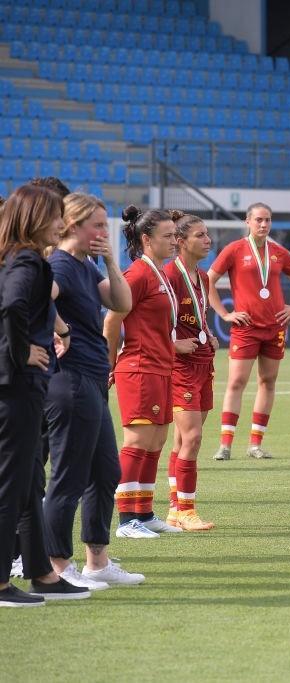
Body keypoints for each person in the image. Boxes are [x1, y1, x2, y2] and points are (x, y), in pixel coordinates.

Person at [43, 193, 144, 588]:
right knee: (68, 477)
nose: (105, 232)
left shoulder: (84, 266)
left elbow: (123, 302)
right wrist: (60, 330)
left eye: (107, 224)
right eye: (98, 225)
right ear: (72, 225)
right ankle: (56, 566)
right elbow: (34, 299)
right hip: (70, 381)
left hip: (92, 380)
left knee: (105, 471)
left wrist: (111, 259)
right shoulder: (61, 266)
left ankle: (97, 562)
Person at [0, 185, 92, 606]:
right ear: (38, 218)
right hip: (16, 388)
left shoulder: (18, 256)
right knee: (13, 486)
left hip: (21, 386)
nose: (62, 224)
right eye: (57, 216)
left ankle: (42, 574)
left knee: (28, 483)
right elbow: (12, 306)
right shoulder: (26, 260)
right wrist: (21, 351)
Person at [103, 206, 182, 538]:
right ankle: (126, 520)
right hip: (139, 367)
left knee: (157, 440)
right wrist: (108, 365)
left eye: (176, 235)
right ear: (146, 239)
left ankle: (144, 512)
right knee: (138, 440)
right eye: (168, 236)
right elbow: (112, 320)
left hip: (161, 366)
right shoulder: (136, 274)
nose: (175, 241)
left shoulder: (159, 272)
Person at [208, 203, 290, 460]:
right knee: (236, 382)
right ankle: (225, 444)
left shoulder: (279, 252)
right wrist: (224, 313)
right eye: (259, 220)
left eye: (268, 220)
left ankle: (255, 444)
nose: (264, 225)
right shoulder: (234, 249)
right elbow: (208, 280)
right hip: (245, 328)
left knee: (268, 382)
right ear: (248, 221)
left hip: (275, 327)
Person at [163, 212, 217, 531]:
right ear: (181, 242)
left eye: (207, 234)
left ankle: (174, 509)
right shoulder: (169, 274)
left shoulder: (204, 276)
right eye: (200, 235)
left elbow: (199, 314)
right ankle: (187, 509)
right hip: (179, 366)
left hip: (203, 363)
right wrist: (174, 345)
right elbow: (152, 323)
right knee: (193, 438)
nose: (207, 239)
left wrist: (207, 333)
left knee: (182, 439)